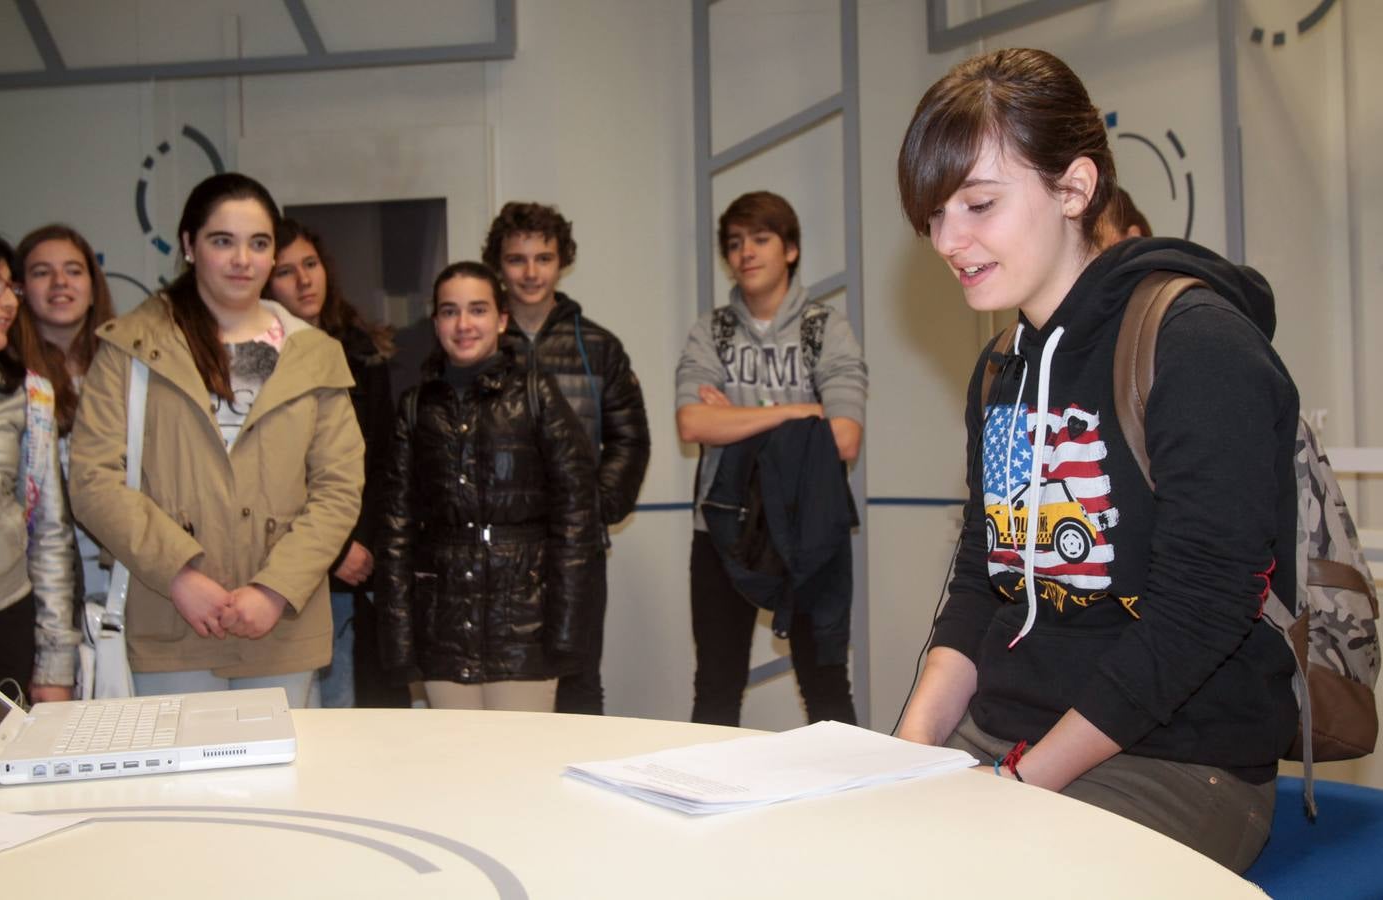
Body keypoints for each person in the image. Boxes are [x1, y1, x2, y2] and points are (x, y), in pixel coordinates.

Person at [892, 48, 1297, 873]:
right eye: (934, 215)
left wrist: (1023, 781)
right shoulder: (1001, 367)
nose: (948, 240)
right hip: (1008, 736)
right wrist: (907, 754)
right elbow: (981, 578)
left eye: (978, 204)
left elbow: (1201, 613)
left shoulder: (1197, 345)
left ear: (1074, 188)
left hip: (1176, 759)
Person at [69, 173, 364, 706]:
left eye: (258, 243)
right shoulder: (129, 348)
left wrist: (274, 589)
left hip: (281, 625)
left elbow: (339, 489)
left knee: (279, 784)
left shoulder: (315, 354)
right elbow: (93, 480)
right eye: (221, 241)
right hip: (170, 618)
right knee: (181, 787)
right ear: (188, 245)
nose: (242, 260)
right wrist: (180, 575)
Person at [675, 191, 867, 727]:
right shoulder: (710, 330)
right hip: (721, 529)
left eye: (760, 239)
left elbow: (844, 438)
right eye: (734, 243)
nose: (746, 253)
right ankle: (705, 805)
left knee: (826, 684)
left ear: (791, 249)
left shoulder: (824, 329)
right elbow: (693, 424)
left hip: (810, 529)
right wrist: (803, 412)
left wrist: (736, 418)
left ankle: (847, 805)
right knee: (716, 686)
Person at [377, 261, 601, 712]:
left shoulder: (537, 395)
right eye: (449, 311)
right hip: (443, 628)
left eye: (477, 310)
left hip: (525, 626)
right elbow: (395, 530)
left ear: (501, 319)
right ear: (435, 320)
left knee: (521, 769)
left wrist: (565, 632)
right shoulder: (416, 407)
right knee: (456, 768)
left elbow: (577, 519)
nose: (463, 325)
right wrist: (399, 641)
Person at [483, 201, 650, 715]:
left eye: (544, 257)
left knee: (577, 682)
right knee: (504, 681)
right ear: (498, 264)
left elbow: (630, 439)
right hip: (497, 550)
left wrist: (595, 508)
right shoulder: (476, 345)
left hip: (577, 549)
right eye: (517, 259)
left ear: (562, 262)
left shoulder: (598, 346)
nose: (531, 272)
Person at [266, 218, 403, 709]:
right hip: (292, 562)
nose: (305, 280)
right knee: (307, 711)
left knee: (359, 710)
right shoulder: (255, 361)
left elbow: (383, 459)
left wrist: (361, 541)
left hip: (362, 563)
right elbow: (276, 475)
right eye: (286, 272)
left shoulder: (362, 351)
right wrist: (335, 548)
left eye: (311, 264)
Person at [0, 225, 77, 703]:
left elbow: (49, 536)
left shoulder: (29, 394)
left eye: (12, 288)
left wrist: (54, 664)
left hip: (2, 625)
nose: (9, 303)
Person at [11, 224, 117, 608]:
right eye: (42, 272)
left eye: (73, 270)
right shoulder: (6, 381)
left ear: (93, 285)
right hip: (40, 584)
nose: (60, 283)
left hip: (122, 579)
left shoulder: (128, 370)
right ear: (19, 289)